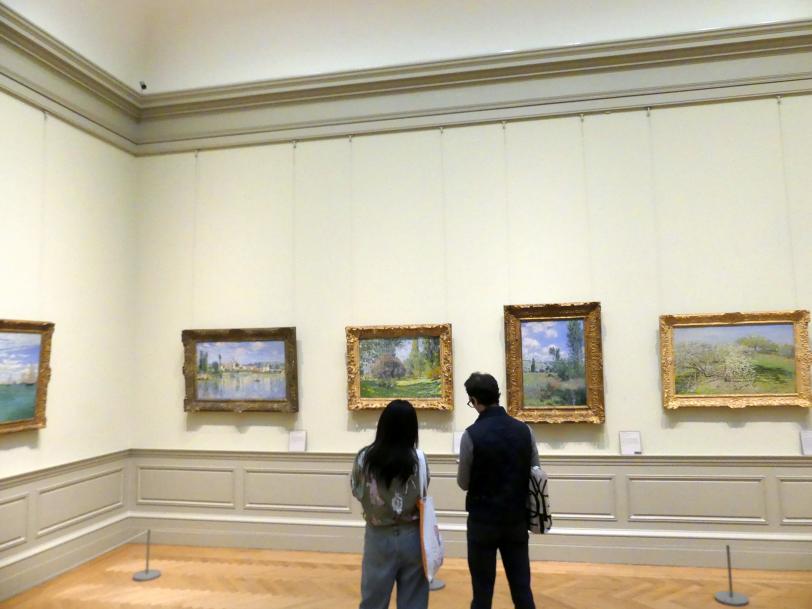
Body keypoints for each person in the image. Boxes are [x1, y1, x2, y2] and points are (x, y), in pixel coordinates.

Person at [457, 372, 539, 609]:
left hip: (482, 521)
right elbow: (536, 471)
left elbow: (463, 483)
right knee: (522, 589)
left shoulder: (471, 435)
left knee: (482, 592)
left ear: (474, 400)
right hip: (516, 519)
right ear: (497, 395)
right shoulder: (525, 430)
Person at [351, 399, 429, 609]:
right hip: (413, 536)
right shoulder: (419, 460)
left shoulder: (364, 458)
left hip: (379, 535)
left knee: (373, 600)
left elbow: (357, 491)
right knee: (414, 600)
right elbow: (423, 491)